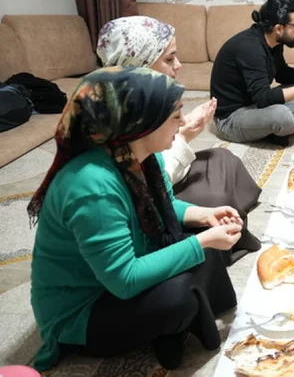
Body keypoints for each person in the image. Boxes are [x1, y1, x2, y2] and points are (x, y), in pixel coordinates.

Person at [27, 67, 244, 371]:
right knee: (179, 292)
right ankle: (169, 330)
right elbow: (125, 279)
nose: (183, 122)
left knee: (203, 248)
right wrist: (202, 241)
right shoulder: (91, 186)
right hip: (83, 310)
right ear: (142, 123)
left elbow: (164, 206)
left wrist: (205, 215)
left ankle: (173, 329)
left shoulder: (140, 156)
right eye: (175, 115)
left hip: (113, 280)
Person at [97, 16, 262, 265]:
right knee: (216, 197)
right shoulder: (106, 134)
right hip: (142, 214)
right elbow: (124, 274)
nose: (179, 65)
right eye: (169, 59)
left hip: (159, 190)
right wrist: (183, 135)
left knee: (222, 157)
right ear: (139, 64)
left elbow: (156, 173)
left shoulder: (147, 108)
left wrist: (183, 130)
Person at [211, 0, 294, 146]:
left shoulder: (274, 41)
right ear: (278, 29)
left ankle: (279, 129)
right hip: (230, 119)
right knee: (281, 115)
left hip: (255, 106)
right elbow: (263, 98)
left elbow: (282, 74)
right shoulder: (251, 48)